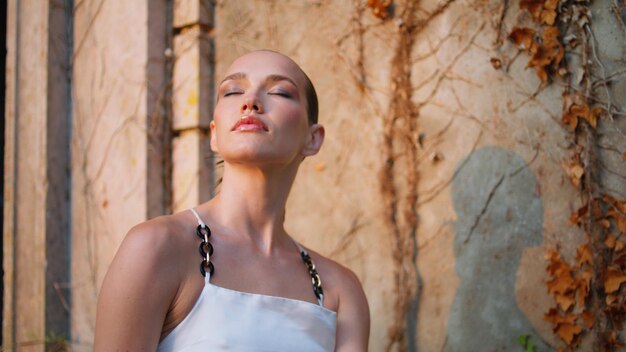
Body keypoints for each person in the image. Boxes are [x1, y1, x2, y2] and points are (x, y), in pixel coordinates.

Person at [94, 50, 370, 351]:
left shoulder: (341, 291)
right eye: (232, 91)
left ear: (312, 138)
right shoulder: (156, 247)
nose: (250, 102)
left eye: (280, 92)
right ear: (214, 134)